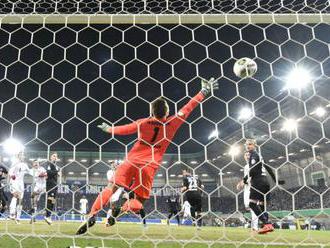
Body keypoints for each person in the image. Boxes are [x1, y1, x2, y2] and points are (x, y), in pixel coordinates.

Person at [76, 77, 219, 235]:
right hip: (148, 166)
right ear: (167, 112)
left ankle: (92, 215)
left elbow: (126, 129)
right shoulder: (172, 123)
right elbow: (188, 108)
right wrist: (203, 92)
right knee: (140, 200)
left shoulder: (142, 122)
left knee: (111, 187)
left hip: (131, 161)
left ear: (151, 112)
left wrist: (110, 129)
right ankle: (121, 209)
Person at [237, 139, 284, 234]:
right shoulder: (260, 156)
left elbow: (253, 170)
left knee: (252, 204)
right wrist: (276, 180)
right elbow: (269, 169)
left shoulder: (253, 155)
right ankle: (266, 227)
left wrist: (245, 180)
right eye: (246, 145)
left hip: (258, 183)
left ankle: (267, 224)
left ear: (255, 145)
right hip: (265, 182)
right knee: (262, 206)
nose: (248, 146)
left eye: (250, 144)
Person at [8, 152, 30, 224]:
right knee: (16, 195)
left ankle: (18, 218)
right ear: (18, 156)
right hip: (14, 181)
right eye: (21, 155)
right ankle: (12, 213)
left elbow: (30, 171)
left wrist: (37, 172)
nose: (22, 156)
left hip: (21, 183)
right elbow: (10, 171)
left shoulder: (24, 165)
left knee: (20, 200)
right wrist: (12, 175)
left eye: (23, 155)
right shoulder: (15, 162)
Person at [44, 152, 60, 225]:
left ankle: (48, 215)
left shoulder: (55, 166)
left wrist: (57, 173)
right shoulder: (49, 164)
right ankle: (47, 215)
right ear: (50, 157)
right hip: (50, 184)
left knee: (53, 201)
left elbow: (54, 174)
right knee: (50, 199)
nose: (55, 157)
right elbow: (49, 173)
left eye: (56, 156)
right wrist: (57, 172)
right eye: (53, 156)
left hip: (55, 185)